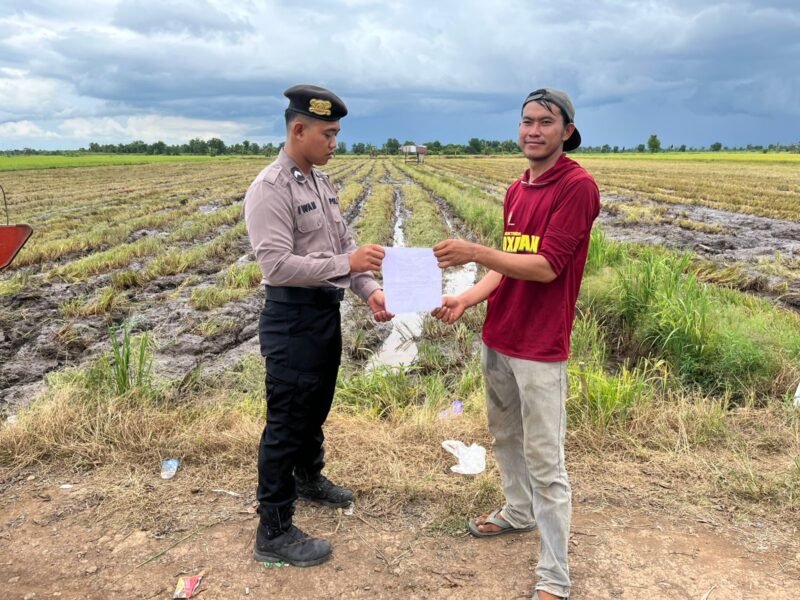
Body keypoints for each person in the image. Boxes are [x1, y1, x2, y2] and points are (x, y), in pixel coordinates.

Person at [432, 88, 599, 600]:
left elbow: (546, 268)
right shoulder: (516, 189)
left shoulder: (577, 187)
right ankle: (517, 512)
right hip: (500, 337)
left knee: (546, 461)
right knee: (505, 439)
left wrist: (475, 249)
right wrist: (468, 298)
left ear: (566, 131)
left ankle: (555, 577)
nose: (533, 130)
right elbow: (506, 265)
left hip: (540, 347)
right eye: (526, 121)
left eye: (545, 122)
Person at [244, 84, 393, 567]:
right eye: (328, 134)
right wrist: (345, 261)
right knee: (287, 421)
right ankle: (274, 528)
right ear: (298, 129)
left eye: (337, 134)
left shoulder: (321, 184)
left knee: (314, 408)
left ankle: (308, 478)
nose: (335, 143)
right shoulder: (271, 188)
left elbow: (344, 248)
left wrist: (371, 291)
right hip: (291, 319)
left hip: (323, 315)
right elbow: (277, 267)